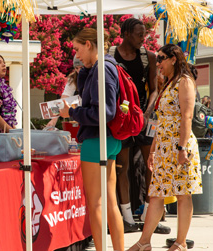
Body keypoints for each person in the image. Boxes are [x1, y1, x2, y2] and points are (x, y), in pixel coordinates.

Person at [128, 44, 202, 251]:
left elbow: (186, 117)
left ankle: (180, 243)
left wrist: (181, 148)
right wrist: (152, 150)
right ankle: (144, 242)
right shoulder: (169, 83)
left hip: (179, 146)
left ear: (173, 59)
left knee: (182, 194)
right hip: (163, 146)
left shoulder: (185, 81)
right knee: (156, 195)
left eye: (161, 58)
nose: (158, 63)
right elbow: (160, 122)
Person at [60, 28, 124, 251]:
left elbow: (102, 113)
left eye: (78, 49)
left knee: (96, 203)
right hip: (109, 139)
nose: (76, 55)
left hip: (97, 139)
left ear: (89, 44)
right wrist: (86, 69)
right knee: (109, 202)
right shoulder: (104, 66)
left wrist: (72, 114)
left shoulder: (103, 69)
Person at [109, 17, 168, 233]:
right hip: (122, 118)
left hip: (145, 116)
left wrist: (146, 113)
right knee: (122, 166)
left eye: (144, 33)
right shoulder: (111, 55)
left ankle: (149, 215)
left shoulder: (149, 57)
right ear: (125, 33)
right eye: (138, 33)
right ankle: (126, 217)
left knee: (150, 164)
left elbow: (154, 89)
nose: (143, 37)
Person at [46, 55, 83, 128]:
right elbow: (63, 99)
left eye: (81, 67)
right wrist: (54, 119)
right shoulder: (73, 79)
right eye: (76, 68)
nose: (79, 70)